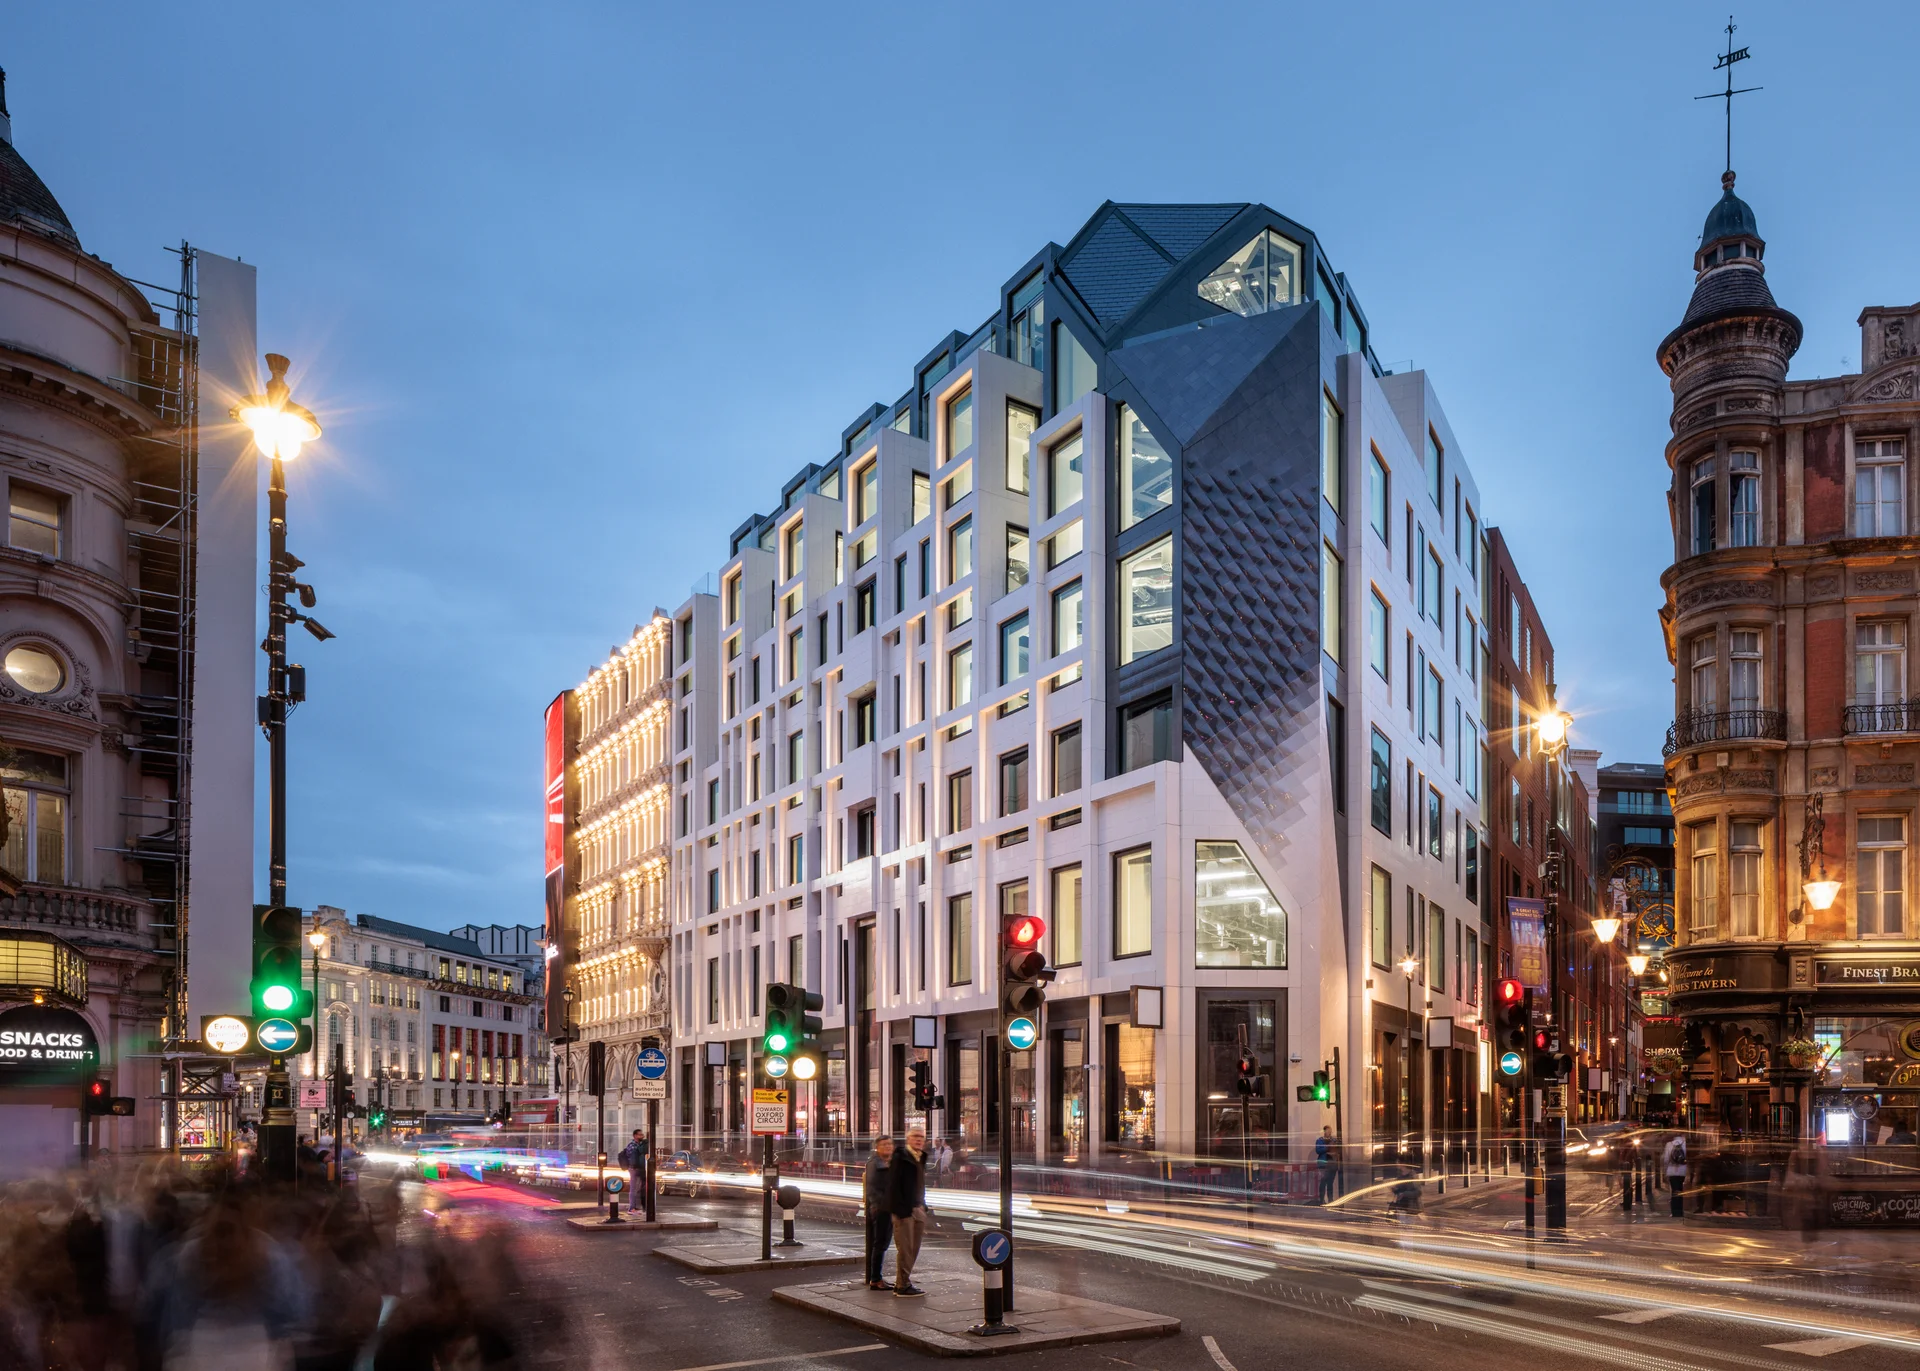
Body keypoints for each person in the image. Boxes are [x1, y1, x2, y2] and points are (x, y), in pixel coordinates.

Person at [887, 1126, 929, 1297]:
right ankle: (902, 1284)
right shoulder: (900, 1157)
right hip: (904, 1210)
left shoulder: (921, 1157)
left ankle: (903, 1282)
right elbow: (893, 1185)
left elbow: (920, 1184)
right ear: (908, 1139)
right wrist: (900, 1209)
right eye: (915, 1137)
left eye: (921, 1137)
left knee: (914, 1248)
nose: (919, 1140)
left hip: (918, 1208)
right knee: (905, 1248)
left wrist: (923, 1205)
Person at [863, 1136, 895, 1290]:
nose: (888, 1147)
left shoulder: (890, 1162)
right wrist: (879, 1206)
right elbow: (871, 1188)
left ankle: (877, 1277)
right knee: (880, 1244)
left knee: (883, 1243)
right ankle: (875, 1279)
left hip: (889, 1207)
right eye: (884, 1144)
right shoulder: (874, 1163)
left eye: (889, 1144)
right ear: (877, 1147)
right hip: (881, 1209)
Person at [617, 1129, 650, 1213]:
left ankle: (637, 1207)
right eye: (640, 1135)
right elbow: (634, 1156)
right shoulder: (632, 1145)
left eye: (642, 1134)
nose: (642, 1136)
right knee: (633, 1188)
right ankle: (632, 1208)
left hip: (640, 1168)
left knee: (640, 1188)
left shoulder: (640, 1145)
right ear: (635, 1136)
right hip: (634, 1169)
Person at [1663, 1132, 1688, 1218]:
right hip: (1683, 1171)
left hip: (1672, 1171)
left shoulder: (1669, 1144)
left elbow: (1666, 1159)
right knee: (1681, 1191)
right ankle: (1681, 1211)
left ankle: (1675, 1212)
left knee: (1674, 1191)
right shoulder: (1685, 1144)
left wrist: (1665, 1171)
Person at [1315, 1126, 1339, 1203]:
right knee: (1323, 1182)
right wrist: (1327, 1147)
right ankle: (1321, 1200)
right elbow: (1318, 1150)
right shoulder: (1320, 1140)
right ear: (1324, 1131)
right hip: (1323, 1164)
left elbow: (1338, 1148)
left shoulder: (1333, 1140)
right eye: (1328, 1131)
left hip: (1332, 1164)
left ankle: (1330, 1200)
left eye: (1330, 1131)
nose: (1329, 1132)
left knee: (1330, 1183)